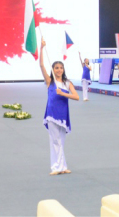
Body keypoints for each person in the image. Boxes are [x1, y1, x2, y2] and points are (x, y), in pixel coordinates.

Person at [39, 39, 79, 175]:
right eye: (56, 68)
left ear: (63, 69)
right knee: (55, 141)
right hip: (51, 114)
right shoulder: (50, 81)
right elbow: (41, 65)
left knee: (61, 141)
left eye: (61, 68)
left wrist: (63, 93)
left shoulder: (67, 83)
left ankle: (62, 166)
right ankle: (56, 167)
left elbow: (76, 97)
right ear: (53, 70)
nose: (59, 70)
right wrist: (41, 48)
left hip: (63, 115)